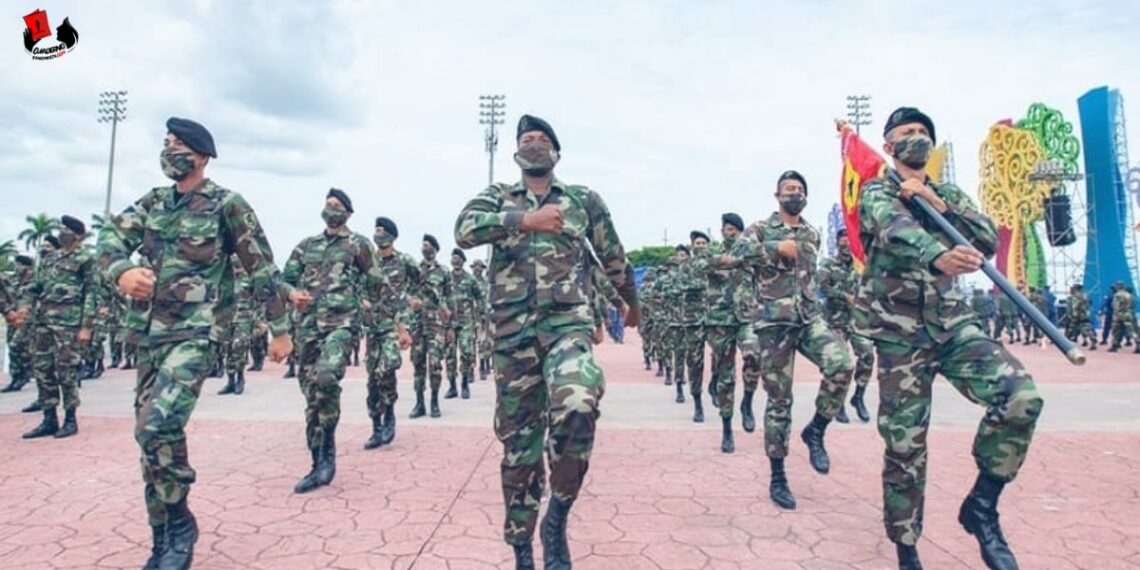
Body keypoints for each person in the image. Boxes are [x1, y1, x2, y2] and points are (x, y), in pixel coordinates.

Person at [97, 117, 293, 570]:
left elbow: (261, 266)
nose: (169, 150)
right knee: (148, 439)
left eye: (179, 145)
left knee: (157, 427)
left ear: (202, 156)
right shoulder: (153, 202)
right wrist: (121, 272)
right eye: (166, 143)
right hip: (149, 335)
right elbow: (109, 238)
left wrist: (279, 328)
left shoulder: (226, 204)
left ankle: (180, 522)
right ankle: (161, 533)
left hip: (195, 332)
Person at [853, 107, 1043, 570]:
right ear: (889, 143)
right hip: (899, 335)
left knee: (1021, 397)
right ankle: (906, 548)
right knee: (905, 447)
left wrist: (940, 204)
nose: (915, 138)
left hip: (953, 326)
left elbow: (985, 241)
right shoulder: (878, 189)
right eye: (905, 133)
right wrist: (938, 253)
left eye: (923, 132)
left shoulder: (947, 192)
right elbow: (892, 229)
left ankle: (981, 506)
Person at [454, 114, 639, 570]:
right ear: (517, 154)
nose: (533, 144)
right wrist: (526, 220)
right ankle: (522, 550)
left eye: (541, 139)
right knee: (519, 452)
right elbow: (463, 228)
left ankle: (556, 517)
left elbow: (613, 256)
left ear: (556, 152)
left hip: (566, 327)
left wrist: (632, 305)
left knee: (578, 403)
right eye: (525, 139)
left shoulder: (583, 201)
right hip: (512, 338)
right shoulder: (497, 197)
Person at [717, 170, 855, 511]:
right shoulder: (759, 230)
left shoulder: (811, 232)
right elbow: (737, 255)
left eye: (800, 189)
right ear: (777, 196)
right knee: (780, 401)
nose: (795, 193)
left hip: (809, 318)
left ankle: (816, 430)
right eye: (789, 189)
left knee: (842, 364)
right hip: (773, 325)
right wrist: (775, 247)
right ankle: (778, 476)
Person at [281, 188, 388, 494]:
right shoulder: (307, 246)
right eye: (328, 205)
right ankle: (320, 459)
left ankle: (326, 455)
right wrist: (292, 294)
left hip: (342, 325)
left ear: (348, 214)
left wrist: (364, 302)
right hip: (308, 329)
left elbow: (377, 280)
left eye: (337, 206)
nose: (331, 210)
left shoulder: (358, 245)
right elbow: (284, 278)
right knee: (312, 396)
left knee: (327, 377)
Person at [23, 215, 97, 440]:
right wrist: (24, 305)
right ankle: (49, 419)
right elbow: (36, 286)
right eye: (61, 228)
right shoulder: (49, 258)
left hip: (69, 325)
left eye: (66, 229)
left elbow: (91, 293)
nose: (61, 232)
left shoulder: (85, 259)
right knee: (43, 370)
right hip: (43, 323)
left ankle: (70, 419)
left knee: (66, 371)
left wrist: (86, 326)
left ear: (78, 235)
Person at [697, 213, 760, 453]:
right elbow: (701, 265)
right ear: (721, 231)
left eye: (735, 229)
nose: (730, 232)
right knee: (726, 377)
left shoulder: (751, 253)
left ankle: (747, 402)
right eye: (727, 228)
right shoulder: (711, 251)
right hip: (720, 320)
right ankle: (727, 429)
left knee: (754, 355)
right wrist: (730, 260)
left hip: (746, 317)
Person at [362, 216, 416, 449]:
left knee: (388, 367)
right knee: (373, 378)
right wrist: (360, 301)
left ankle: (390, 413)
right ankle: (376, 425)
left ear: (392, 236)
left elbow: (420, 285)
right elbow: (355, 286)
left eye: (382, 230)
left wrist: (412, 305)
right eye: (376, 230)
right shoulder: (367, 262)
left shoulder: (405, 261)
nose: (378, 233)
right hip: (373, 327)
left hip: (394, 327)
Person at [818, 227, 875, 423]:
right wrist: (844, 296)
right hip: (834, 322)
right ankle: (839, 403)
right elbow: (822, 286)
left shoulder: (860, 265)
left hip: (857, 322)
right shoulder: (828, 264)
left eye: (849, 240)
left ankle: (858, 396)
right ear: (836, 243)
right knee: (843, 363)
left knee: (867, 355)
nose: (846, 245)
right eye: (842, 241)